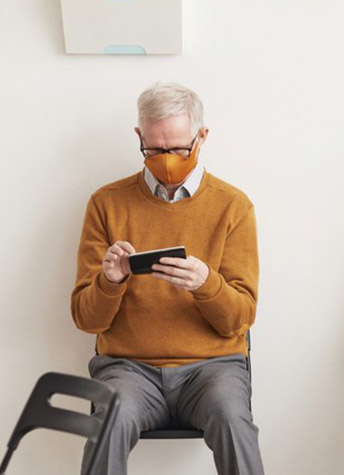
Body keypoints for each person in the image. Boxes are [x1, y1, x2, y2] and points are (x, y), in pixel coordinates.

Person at [71, 82, 264, 475]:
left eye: (178, 148)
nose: (167, 160)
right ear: (139, 137)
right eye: (154, 150)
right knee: (107, 419)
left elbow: (240, 318)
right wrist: (110, 281)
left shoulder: (233, 206)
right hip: (128, 369)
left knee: (232, 417)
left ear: (202, 136)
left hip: (213, 370)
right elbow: (86, 320)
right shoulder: (106, 204)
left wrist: (206, 284)